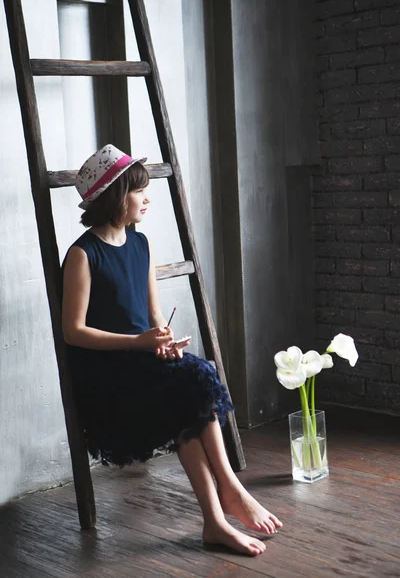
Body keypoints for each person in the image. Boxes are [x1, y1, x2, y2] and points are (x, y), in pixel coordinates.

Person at [62, 144, 282, 557]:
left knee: (190, 377)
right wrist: (141, 342)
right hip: (104, 376)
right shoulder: (82, 254)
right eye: (138, 191)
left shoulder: (141, 244)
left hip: (141, 362)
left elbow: (154, 318)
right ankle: (227, 495)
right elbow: (74, 333)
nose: (147, 198)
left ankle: (218, 515)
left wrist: (163, 341)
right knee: (189, 386)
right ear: (114, 196)